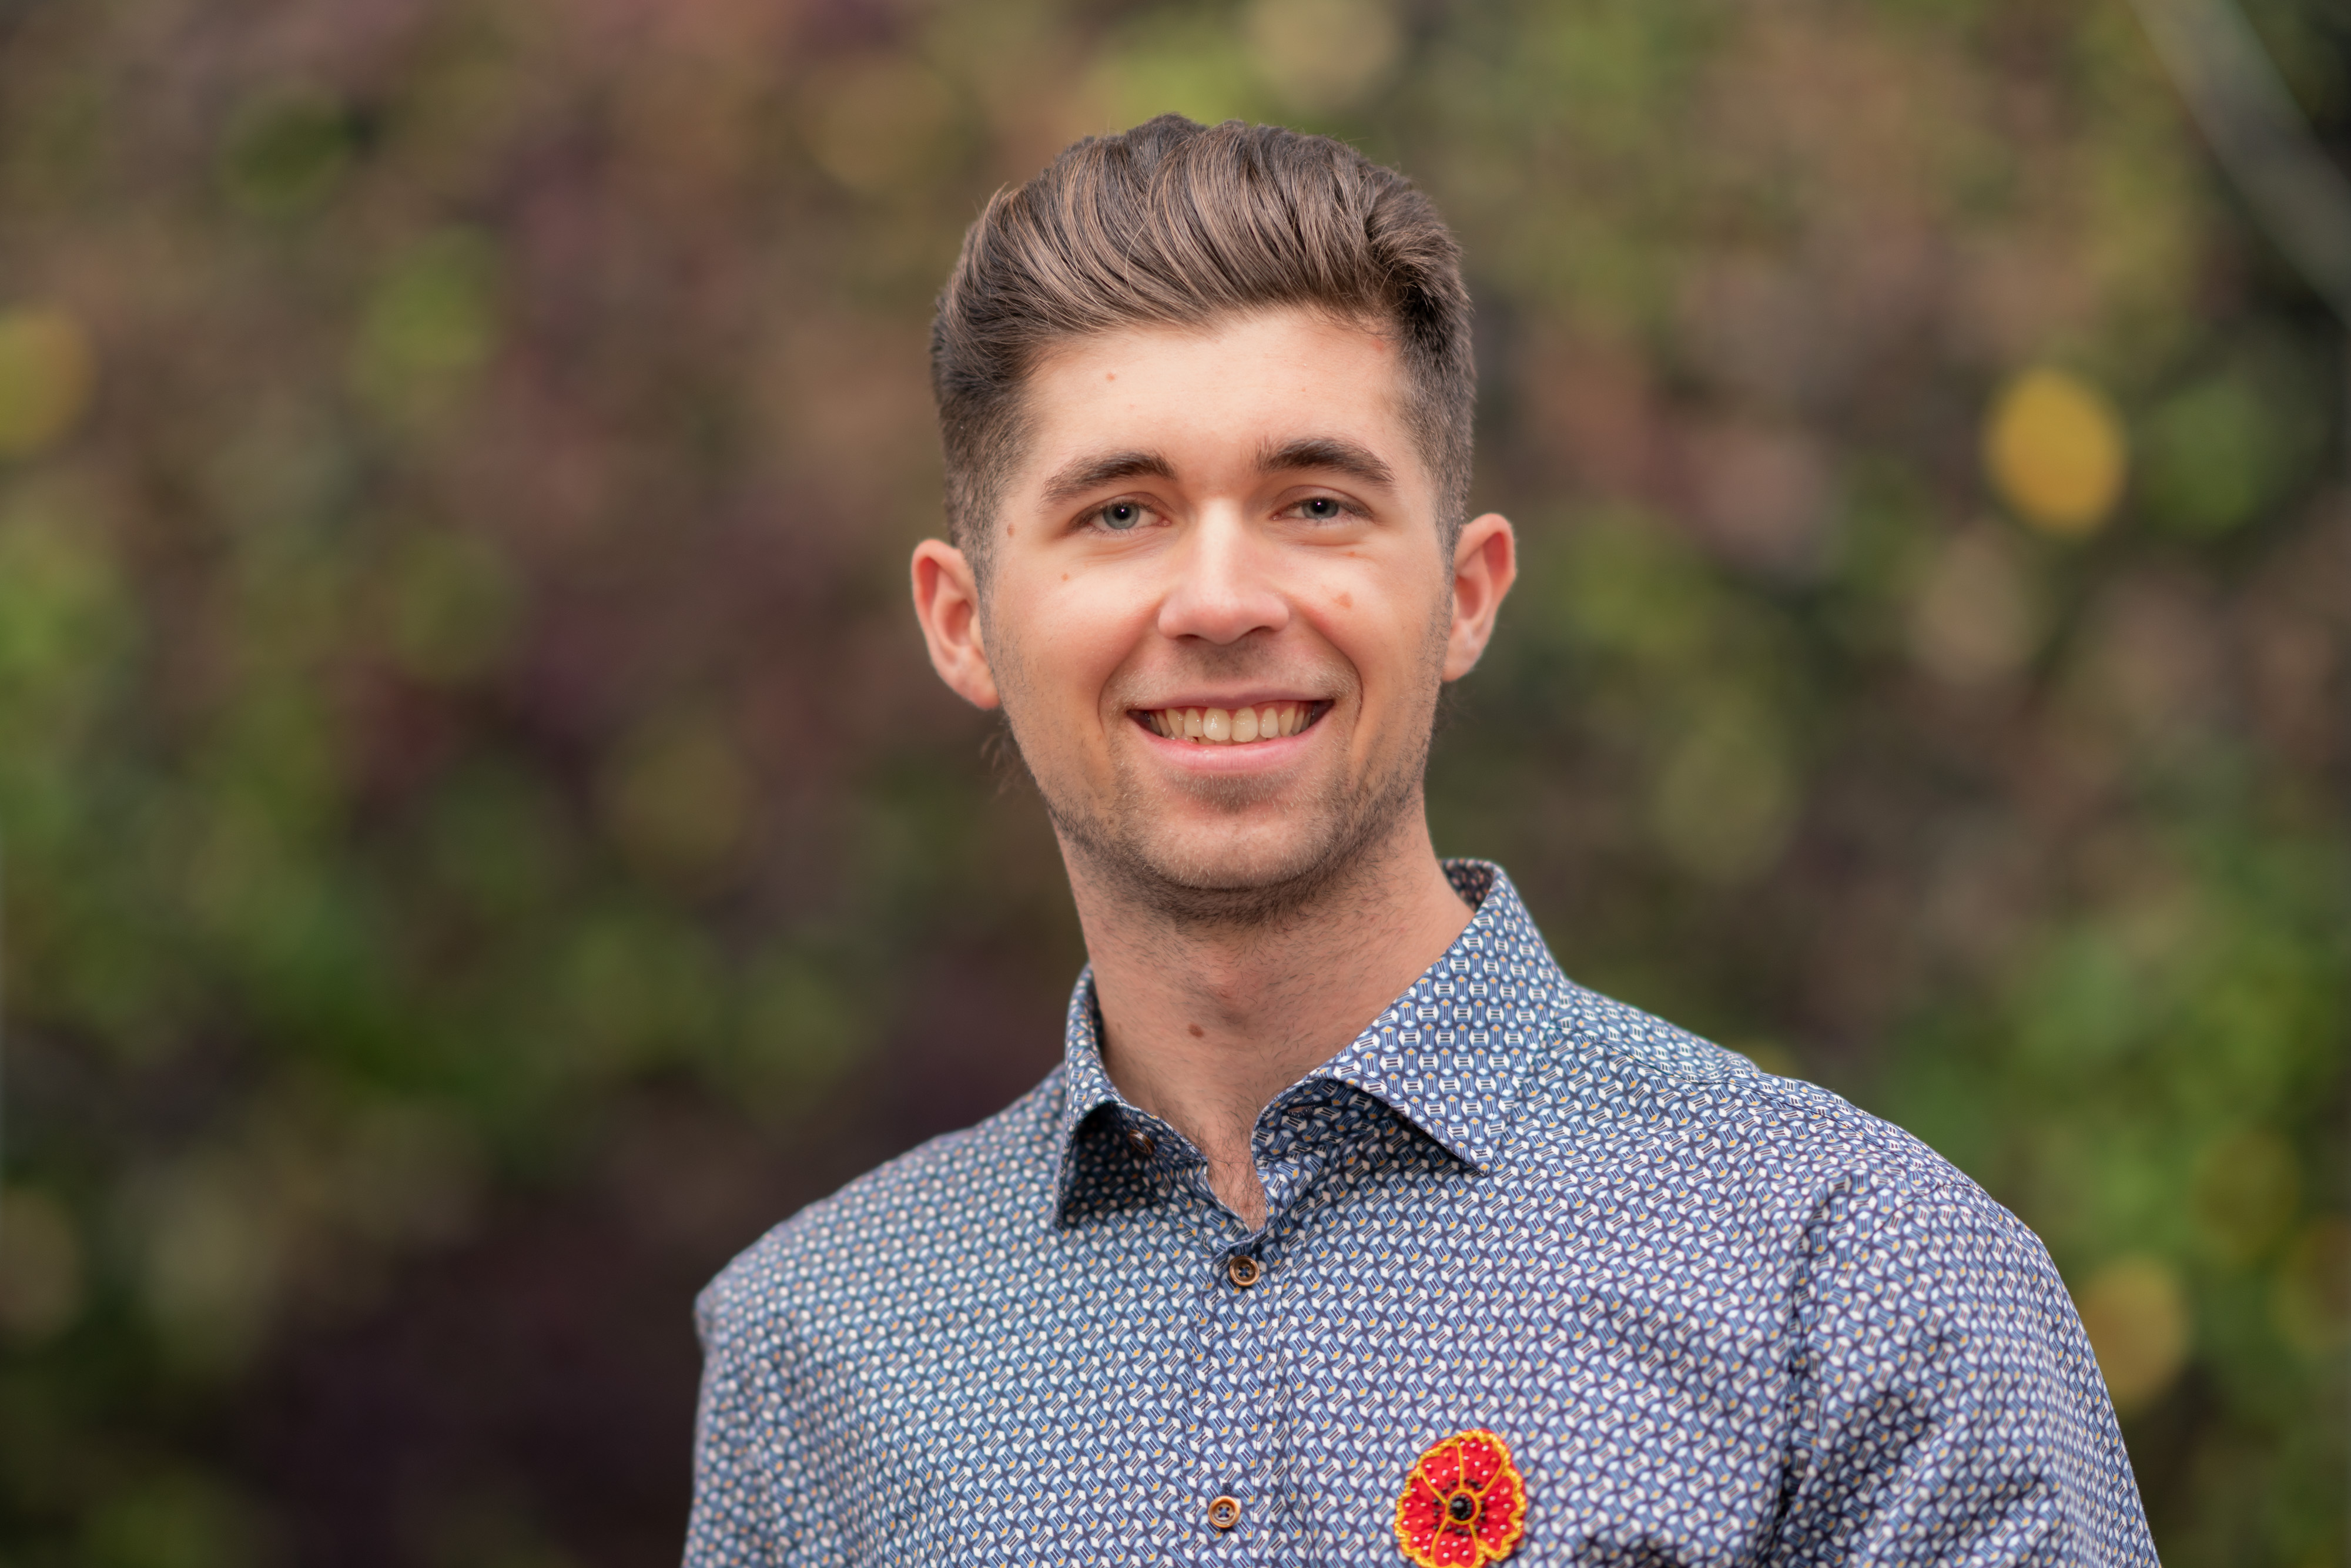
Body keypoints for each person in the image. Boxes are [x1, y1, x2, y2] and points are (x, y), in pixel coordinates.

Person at [684, 115, 2155, 1566]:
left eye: (1314, 502)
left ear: (1463, 593)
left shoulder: (1851, 1284)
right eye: (1119, 511)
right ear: (964, 622)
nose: (1216, 601)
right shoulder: (808, 1348)